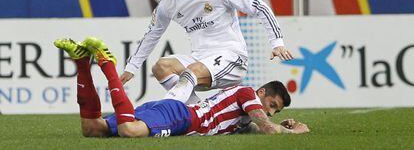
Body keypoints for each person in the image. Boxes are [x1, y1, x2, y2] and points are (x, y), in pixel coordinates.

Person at [120, 0, 293, 104]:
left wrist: (277, 42)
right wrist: (132, 67)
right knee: (161, 67)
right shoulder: (169, 2)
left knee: (192, 72)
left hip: (232, 58)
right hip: (200, 60)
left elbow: (259, 7)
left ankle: (166, 110)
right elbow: (152, 34)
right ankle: (198, 113)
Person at [54, 37, 309, 137]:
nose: (271, 112)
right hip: (183, 118)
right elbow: (265, 127)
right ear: (262, 93)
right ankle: (107, 64)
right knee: (129, 132)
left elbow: (254, 126)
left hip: (170, 110)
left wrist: (279, 122)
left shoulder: (240, 117)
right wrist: (297, 131)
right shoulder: (246, 93)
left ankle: (81, 62)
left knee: (92, 129)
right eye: (272, 105)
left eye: (275, 110)